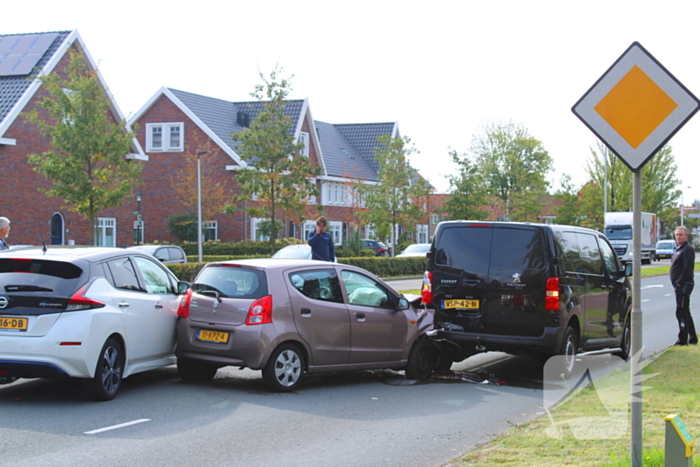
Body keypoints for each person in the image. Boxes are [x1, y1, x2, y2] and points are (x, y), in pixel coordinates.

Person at [670, 226, 697, 345]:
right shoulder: (678, 249)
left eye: (681, 235)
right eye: (677, 235)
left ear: (686, 236)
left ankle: (683, 339)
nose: (678, 237)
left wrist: (680, 282)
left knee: (681, 311)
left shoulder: (688, 249)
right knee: (685, 311)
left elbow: (688, 268)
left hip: (684, 285)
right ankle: (693, 337)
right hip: (679, 285)